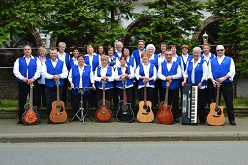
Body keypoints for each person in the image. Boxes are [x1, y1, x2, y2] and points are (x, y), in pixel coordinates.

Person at [13, 45, 41, 124]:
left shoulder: (36, 59)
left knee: (36, 100)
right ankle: (21, 117)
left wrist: (33, 79)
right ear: (23, 51)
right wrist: (23, 78)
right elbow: (15, 71)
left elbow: (39, 70)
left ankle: (36, 117)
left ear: (31, 50)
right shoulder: (19, 60)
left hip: (34, 82)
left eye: (28, 49)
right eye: (25, 49)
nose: (27, 51)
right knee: (22, 100)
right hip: (23, 83)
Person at [209, 45, 236, 126]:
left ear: (224, 50)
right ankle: (215, 118)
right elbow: (209, 71)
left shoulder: (229, 59)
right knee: (215, 102)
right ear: (216, 51)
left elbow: (232, 71)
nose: (219, 51)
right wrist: (212, 80)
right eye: (218, 50)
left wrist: (224, 78)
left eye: (221, 50)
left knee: (229, 102)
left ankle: (231, 119)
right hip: (215, 84)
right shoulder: (211, 60)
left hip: (226, 83)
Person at [182, 46, 208, 125]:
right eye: (194, 53)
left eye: (197, 53)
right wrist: (185, 80)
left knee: (201, 103)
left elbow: (205, 74)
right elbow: (185, 72)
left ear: (200, 53)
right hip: (191, 86)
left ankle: (202, 120)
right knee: (192, 103)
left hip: (201, 86)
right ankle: (192, 119)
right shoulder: (189, 61)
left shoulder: (203, 62)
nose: (196, 54)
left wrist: (201, 82)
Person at [42, 48, 68, 124]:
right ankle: (50, 117)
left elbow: (65, 73)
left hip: (59, 85)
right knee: (49, 101)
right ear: (49, 54)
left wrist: (59, 76)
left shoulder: (62, 62)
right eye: (51, 53)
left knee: (59, 101)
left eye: (54, 53)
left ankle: (59, 116)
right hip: (49, 85)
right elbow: (44, 73)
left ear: (56, 54)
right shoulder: (45, 62)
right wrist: (52, 77)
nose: (53, 55)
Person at [68, 54, 95, 120]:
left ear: (84, 60)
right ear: (77, 60)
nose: (80, 60)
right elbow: (70, 77)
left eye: (82, 59)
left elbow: (91, 77)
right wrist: (71, 83)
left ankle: (83, 116)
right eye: (79, 59)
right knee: (75, 102)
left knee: (84, 103)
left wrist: (93, 84)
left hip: (85, 88)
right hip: (76, 88)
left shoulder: (88, 67)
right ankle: (76, 116)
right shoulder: (73, 67)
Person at [158, 49, 182, 123]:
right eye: (167, 55)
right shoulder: (161, 64)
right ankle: (166, 116)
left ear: (172, 55)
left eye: (170, 55)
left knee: (175, 102)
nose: (168, 56)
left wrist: (171, 77)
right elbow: (159, 74)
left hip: (174, 86)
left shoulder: (176, 64)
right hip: (165, 86)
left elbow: (179, 74)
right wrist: (165, 78)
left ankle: (175, 116)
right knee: (166, 102)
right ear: (165, 55)